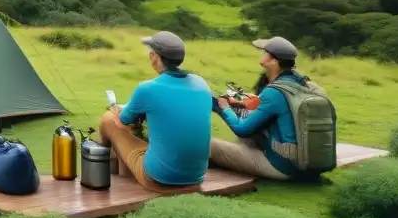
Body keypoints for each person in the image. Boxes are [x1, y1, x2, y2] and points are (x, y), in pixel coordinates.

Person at [100, 31, 214, 194]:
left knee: (109, 120)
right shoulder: (201, 83)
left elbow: (122, 122)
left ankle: (99, 176)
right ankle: (119, 174)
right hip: (196, 178)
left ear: (154, 56)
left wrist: (116, 109)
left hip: (160, 179)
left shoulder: (148, 88)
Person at [208, 36, 303, 180]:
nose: (262, 54)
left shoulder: (274, 92)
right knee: (247, 139)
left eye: (266, 53)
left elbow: (242, 129)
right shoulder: (299, 84)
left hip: (284, 168)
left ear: (274, 62)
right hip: (303, 163)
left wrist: (224, 108)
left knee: (210, 145)